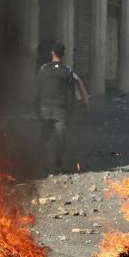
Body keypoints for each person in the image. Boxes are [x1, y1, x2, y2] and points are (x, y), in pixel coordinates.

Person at [35, 42, 79, 171]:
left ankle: (40, 165)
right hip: (60, 110)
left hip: (45, 108)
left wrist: (36, 108)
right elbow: (71, 95)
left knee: (44, 138)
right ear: (63, 54)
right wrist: (71, 111)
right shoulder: (68, 71)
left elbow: (37, 91)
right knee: (60, 140)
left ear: (52, 53)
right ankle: (57, 166)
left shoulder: (43, 69)